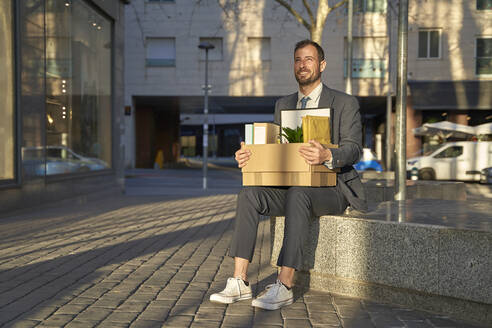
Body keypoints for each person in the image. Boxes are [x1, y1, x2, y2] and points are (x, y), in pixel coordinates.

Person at [210, 39, 367, 310]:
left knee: (298, 193)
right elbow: (276, 149)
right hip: (293, 185)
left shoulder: (344, 102)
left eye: (308, 59)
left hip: (333, 188)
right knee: (249, 194)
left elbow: (354, 150)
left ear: (322, 65)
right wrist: (250, 154)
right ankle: (239, 281)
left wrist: (328, 155)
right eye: (297, 59)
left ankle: (284, 284)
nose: (302, 64)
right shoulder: (283, 104)